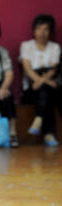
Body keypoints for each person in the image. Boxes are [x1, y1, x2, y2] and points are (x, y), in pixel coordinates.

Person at [19, 14, 60, 147]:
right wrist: (41, 81)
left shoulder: (55, 47)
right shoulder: (26, 46)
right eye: (39, 29)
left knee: (46, 91)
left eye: (46, 29)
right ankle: (49, 134)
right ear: (33, 30)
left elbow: (53, 70)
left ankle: (39, 118)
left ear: (50, 31)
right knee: (45, 91)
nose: (42, 33)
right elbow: (28, 69)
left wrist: (42, 81)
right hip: (31, 87)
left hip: (47, 84)